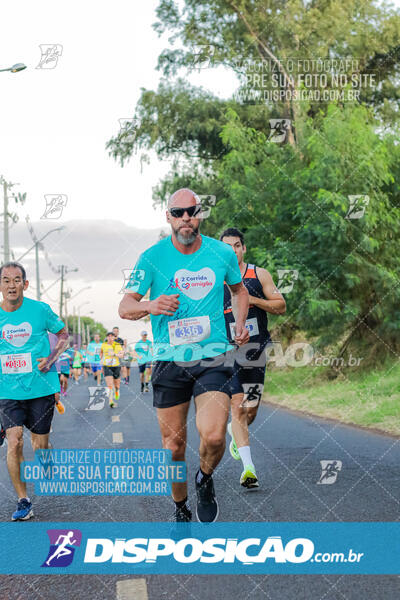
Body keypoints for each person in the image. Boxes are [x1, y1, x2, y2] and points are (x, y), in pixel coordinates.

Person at [119, 188, 249, 523]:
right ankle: (180, 506)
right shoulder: (152, 257)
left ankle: (205, 478)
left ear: (200, 214)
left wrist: (238, 322)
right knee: (173, 448)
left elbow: (239, 291)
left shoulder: (221, 252)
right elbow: (125, 306)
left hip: (214, 358)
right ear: (169, 217)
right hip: (169, 360)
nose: (186, 218)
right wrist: (151, 304)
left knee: (216, 435)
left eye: (192, 211)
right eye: (178, 213)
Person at [0, 262, 69, 521]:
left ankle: (46, 456)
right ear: (0, 286)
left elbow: (64, 335)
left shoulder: (40, 310)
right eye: (6, 280)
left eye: (16, 280)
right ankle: (23, 500)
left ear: (25, 285)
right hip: (7, 390)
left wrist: (51, 359)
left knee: (40, 445)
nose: (11, 285)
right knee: (14, 441)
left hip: (40, 386)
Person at [221, 228, 286, 488]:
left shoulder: (258, 274)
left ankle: (234, 431)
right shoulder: (216, 281)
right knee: (237, 408)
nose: (232, 251)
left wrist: (254, 301)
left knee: (251, 411)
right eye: (227, 247)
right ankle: (249, 468)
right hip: (227, 354)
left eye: (237, 246)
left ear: (243, 248)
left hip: (255, 352)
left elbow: (280, 306)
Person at [100, 332, 123, 407]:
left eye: (111, 336)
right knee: (109, 385)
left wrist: (114, 354)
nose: (110, 337)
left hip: (116, 366)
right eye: (108, 336)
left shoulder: (117, 345)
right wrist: (100, 360)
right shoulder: (103, 345)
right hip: (107, 366)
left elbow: (121, 355)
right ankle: (111, 401)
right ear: (106, 338)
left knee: (117, 385)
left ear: (114, 337)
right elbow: (101, 353)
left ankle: (116, 390)